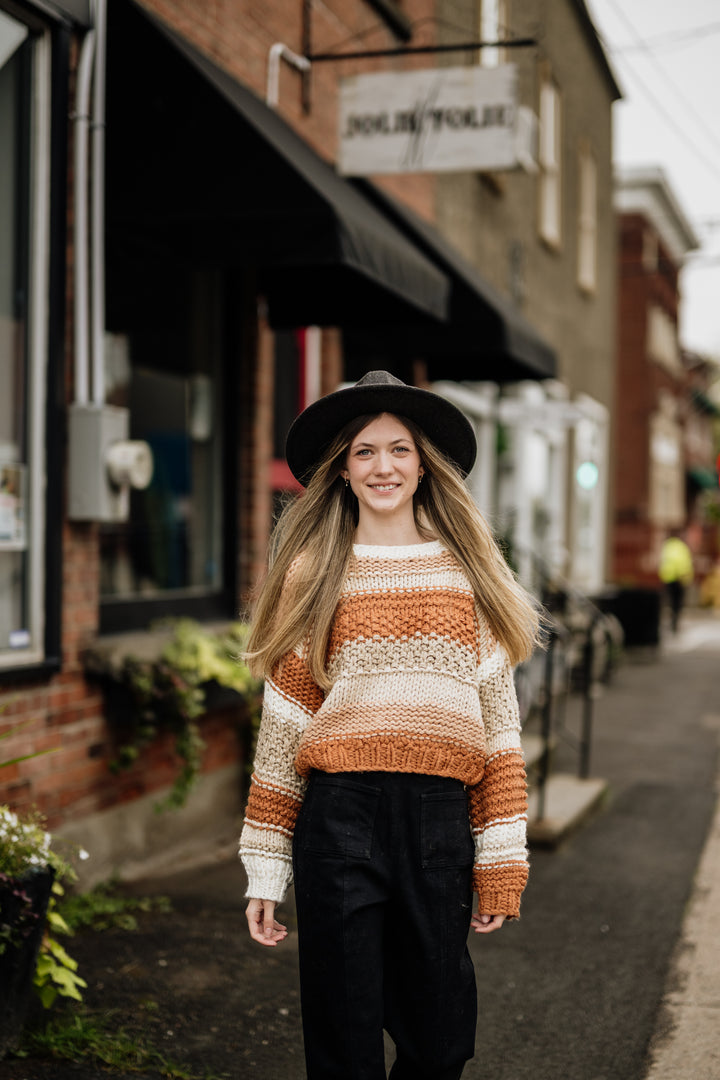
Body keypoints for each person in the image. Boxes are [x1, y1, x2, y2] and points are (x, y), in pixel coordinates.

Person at [239, 370, 539, 1080]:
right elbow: (285, 725)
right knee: (343, 1041)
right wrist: (265, 867)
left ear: (423, 464)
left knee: (439, 1039)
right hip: (339, 815)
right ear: (342, 470)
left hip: (438, 820)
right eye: (365, 452)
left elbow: (499, 728)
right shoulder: (314, 571)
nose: (384, 466)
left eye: (399, 450)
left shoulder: (466, 572)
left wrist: (501, 858)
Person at [659, 530, 694, 633]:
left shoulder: (667, 546)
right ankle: (674, 623)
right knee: (677, 603)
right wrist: (687, 578)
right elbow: (685, 564)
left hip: (668, 578)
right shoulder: (682, 547)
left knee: (669, 602)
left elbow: (663, 562)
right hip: (680, 579)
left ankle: (671, 622)